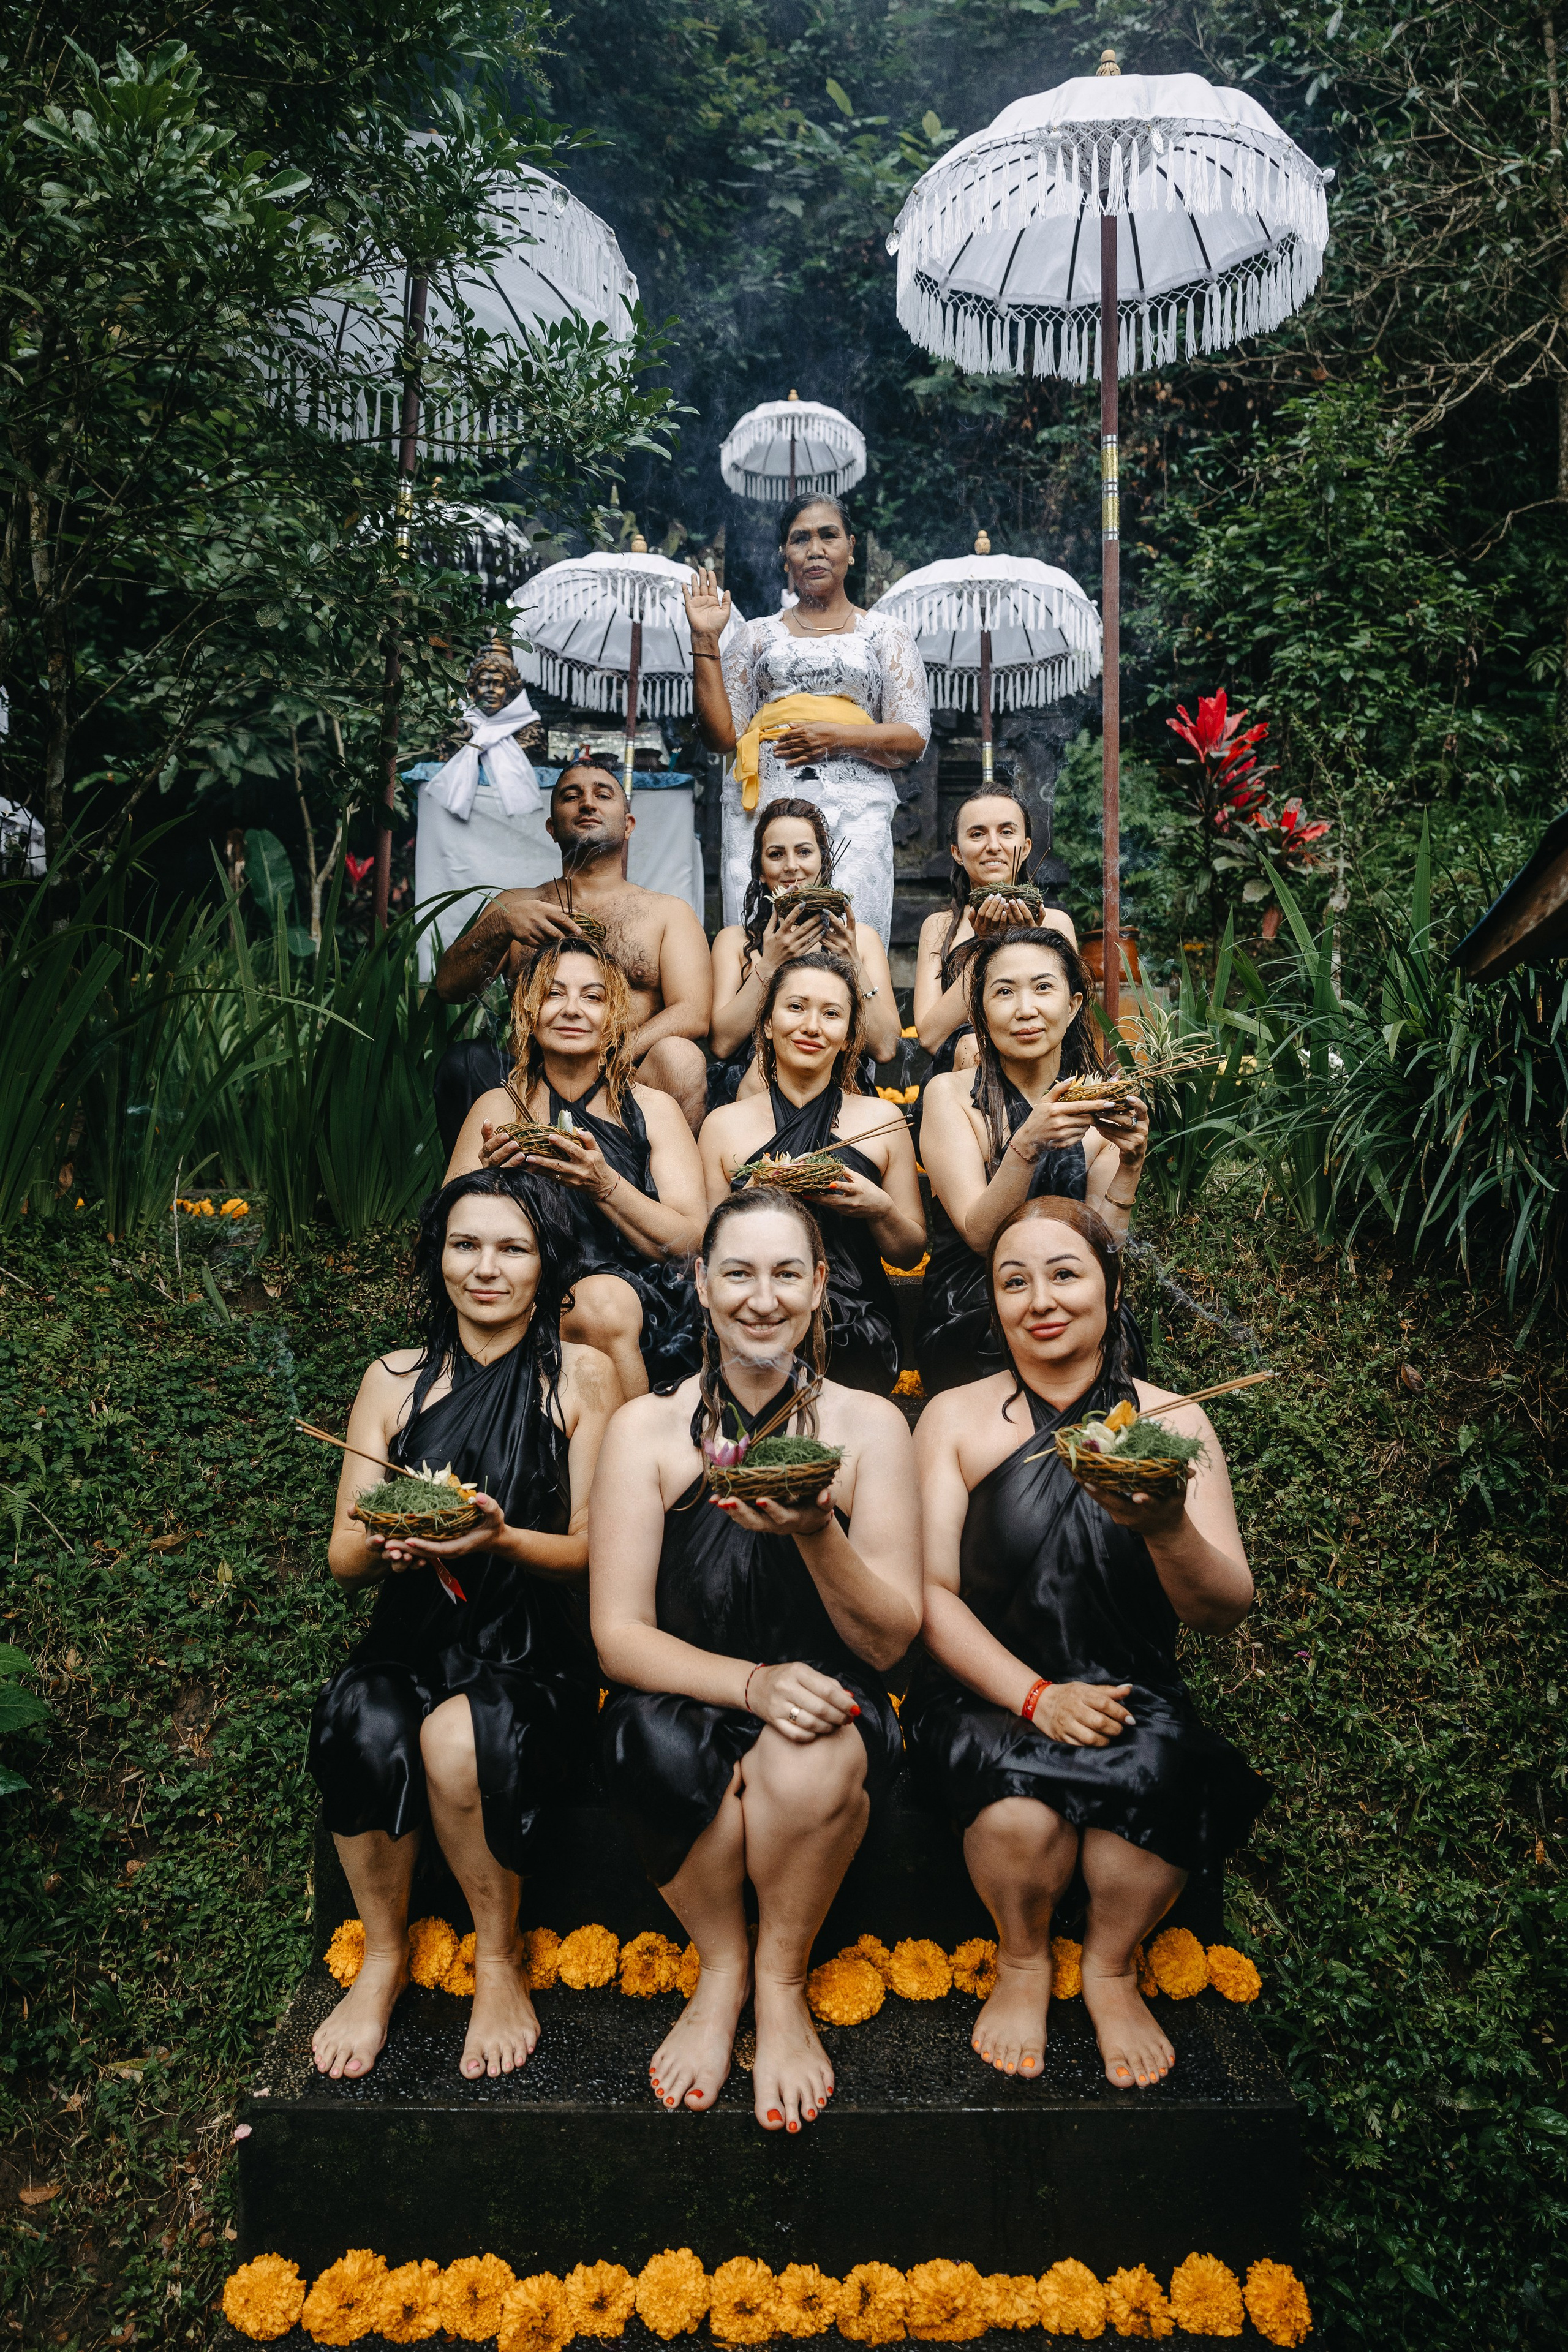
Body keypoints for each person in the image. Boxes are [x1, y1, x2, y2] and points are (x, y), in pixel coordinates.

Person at [905, 1196, 1265, 2090]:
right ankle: (1022, 1957)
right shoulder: (953, 1419)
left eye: (1064, 1274)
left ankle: (1109, 1966)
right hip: (989, 1693)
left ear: (1110, 1284)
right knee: (1020, 1821)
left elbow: (1224, 1609)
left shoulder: (1174, 1422)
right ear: (993, 1302)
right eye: (1013, 1281)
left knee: (1155, 1786)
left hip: (1128, 1690)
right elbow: (930, 1597)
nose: (1040, 1300)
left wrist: (1169, 1528)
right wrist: (1036, 1698)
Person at [590, 1186, 922, 2131]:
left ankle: (780, 1982)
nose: (762, 1298)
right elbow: (618, 1636)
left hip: (828, 1693)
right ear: (701, 1283)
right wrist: (751, 1685)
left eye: (786, 1274)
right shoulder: (644, 1429)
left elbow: (892, 1641)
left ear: (820, 1285)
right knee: (653, 1746)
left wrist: (818, 1534)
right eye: (738, 1273)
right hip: (685, 1691)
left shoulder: (871, 1427)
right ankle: (723, 1966)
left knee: (812, 1757)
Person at [307, 1169, 623, 2085]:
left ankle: (497, 1955)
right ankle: (382, 1953)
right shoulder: (392, 1381)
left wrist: (500, 1537)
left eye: (512, 1248)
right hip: (412, 1632)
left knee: (457, 1738)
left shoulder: (583, 1376)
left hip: (532, 1644)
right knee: (359, 1720)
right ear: (436, 1257)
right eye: (466, 1245)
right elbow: (344, 1557)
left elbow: (594, 1550)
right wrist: (390, 1546)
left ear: (546, 1263)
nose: (486, 1268)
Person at [447, 940, 706, 1400]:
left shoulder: (653, 1110)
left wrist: (604, 1184)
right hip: (518, 1284)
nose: (572, 1010)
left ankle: (636, 1442)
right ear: (529, 1012)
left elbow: (692, 1241)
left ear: (615, 1017)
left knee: (599, 1306)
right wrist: (486, 1184)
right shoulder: (497, 1107)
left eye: (593, 997)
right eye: (553, 994)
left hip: (635, 1295)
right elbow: (447, 1235)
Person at [685, 496, 930, 948]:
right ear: (785, 556)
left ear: (851, 548)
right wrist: (705, 639)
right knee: (761, 941)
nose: (815, 549)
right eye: (800, 539)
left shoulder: (885, 634)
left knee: (848, 941)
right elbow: (721, 737)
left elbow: (913, 736)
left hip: (854, 809)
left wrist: (835, 738)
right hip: (762, 810)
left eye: (828, 536)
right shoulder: (756, 634)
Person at [915, 930, 1147, 1399]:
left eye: (1043, 987)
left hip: (1066, 1299)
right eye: (1004, 992)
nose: (1025, 1009)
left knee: (1117, 1336)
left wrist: (1130, 1166)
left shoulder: (1096, 1106)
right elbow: (980, 1236)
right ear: (981, 1010)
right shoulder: (950, 1095)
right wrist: (1027, 1144)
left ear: (1074, 1005)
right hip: (973, 1305)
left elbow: (1103, 1249)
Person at [431, 761, 714, 1144]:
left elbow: (693, 1012)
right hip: (526, 1085)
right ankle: (482, 1178)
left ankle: (663, 1180)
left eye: (602, 795)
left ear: (628, 825)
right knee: (463, 1062)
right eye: (571, 796)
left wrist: (611, 1055)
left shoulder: (668, 912)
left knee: (681, 1058)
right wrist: (502, 925)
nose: (587, 804)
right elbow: (449, 988)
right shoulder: (516, 906)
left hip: (622, 1085)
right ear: (551, 827)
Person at [699, 951, 925, 1395]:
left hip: (857, 1316)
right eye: (796, 1007)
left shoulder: (882, 1119)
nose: (811, 1027)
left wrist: (880, 1210)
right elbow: (708, 1250)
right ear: (767, 1024)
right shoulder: (722, 1126)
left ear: (848, 1036)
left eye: (831, 1014)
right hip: (752, 1310)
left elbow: (908, 1254)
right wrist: (747, 1202)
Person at [707, 797, 900, 1109]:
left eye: (804, 852)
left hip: (837, 1086)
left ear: (824, 863)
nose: (791, 866)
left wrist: (853, 963)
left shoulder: (861, 940)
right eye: (776, 854)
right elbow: (721, 1044)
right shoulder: (735, 942)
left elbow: (886, 1048)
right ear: (760, 871)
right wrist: (770, 964)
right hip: (749, 1091)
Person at [914, 790, 1079, 1077]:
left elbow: (1071, 1021)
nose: (993, 846)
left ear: (1025, 848)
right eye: (977, 834)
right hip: (963, 1078)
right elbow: (930, 1037)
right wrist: (985, 947)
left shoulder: (1054, 923)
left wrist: (1028, 941)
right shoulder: (939, 927)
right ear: (957, 852)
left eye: (1006, 832)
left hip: (1041, 1073)